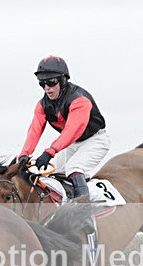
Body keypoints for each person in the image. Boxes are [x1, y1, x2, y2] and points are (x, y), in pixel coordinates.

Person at [18, 55, 110, 199]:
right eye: (42, 84)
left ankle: (84, 214)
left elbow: (71, 131)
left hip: (95, 141)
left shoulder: (79, 100)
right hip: (72, 144)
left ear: (63, 80)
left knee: (73, 169)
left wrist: (49, 152)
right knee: (51, 175)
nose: (47, 88)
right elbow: (34, 130)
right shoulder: (42, 105)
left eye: (51, 82)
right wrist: (24, 154)